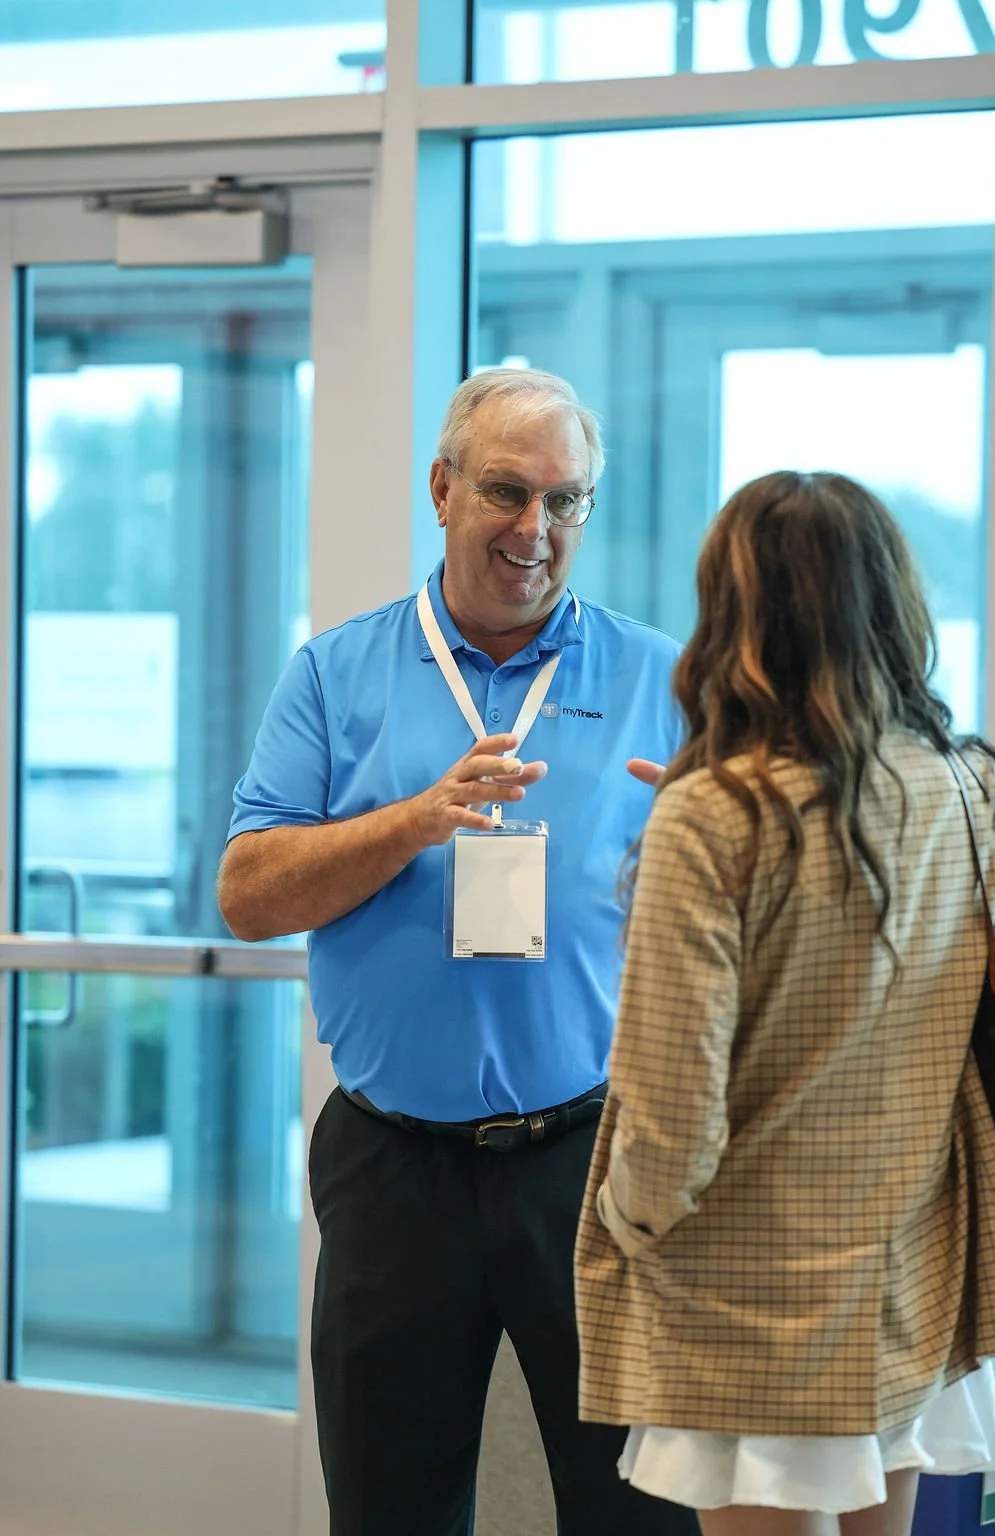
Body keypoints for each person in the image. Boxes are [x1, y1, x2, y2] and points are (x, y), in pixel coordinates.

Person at [217, 368, 698, 1536]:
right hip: (394, 1169)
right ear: (441, 488)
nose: (534, 530)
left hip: (592, 1164)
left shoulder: (662, 680)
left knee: (640, 1513)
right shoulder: (336, 676)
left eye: (565, 501)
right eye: (505, 491)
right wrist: (413, 821)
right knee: (390, 1509)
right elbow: (247, 895)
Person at [575, 470, 995, 1536]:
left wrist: (619, 1224)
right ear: (888, 605)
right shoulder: (963, 786)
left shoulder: (710, 817)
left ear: (737, 616)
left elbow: (674, 1115)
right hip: (907, 1262)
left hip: (745, 1287)